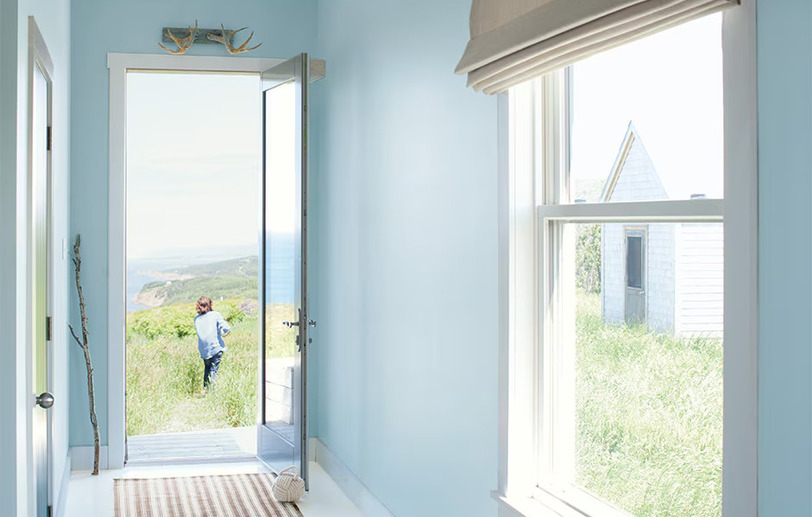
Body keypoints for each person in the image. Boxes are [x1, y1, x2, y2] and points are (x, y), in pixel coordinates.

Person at [194, 296, 231, 389]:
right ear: (209, 305)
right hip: (215, 347)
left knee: (207, 368)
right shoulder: (215, 314)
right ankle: (212, 391)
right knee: (213, 369)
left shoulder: (196, 319)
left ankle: (205, 389)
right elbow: (226, 328)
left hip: (203, 349)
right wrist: (225, 333)